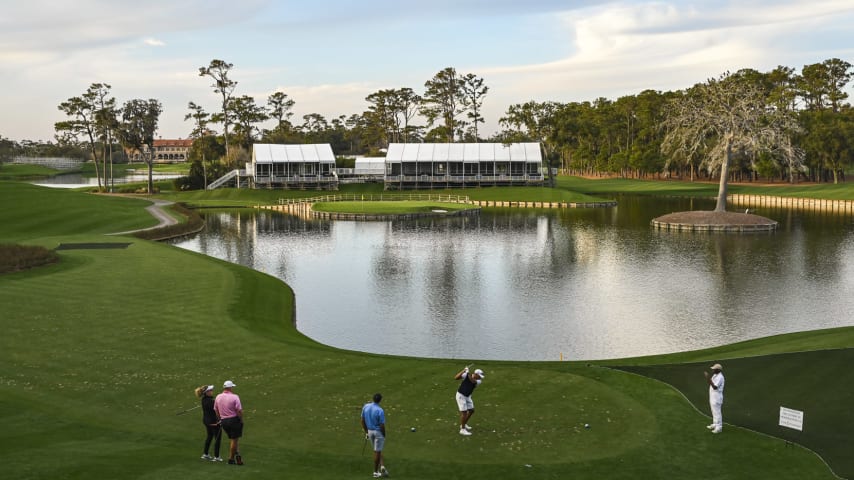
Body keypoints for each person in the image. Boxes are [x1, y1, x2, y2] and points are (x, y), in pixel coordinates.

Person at [214, 380, 244, 465]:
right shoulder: (235, 397)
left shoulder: (218, 396)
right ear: (230, 387)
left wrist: (220, 419)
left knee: (234, 439)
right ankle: (231, 459)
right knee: (234, 440)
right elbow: (239, 410)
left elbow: (216, 409)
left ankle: (238, 457)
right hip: (233, 420)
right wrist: (241, 419)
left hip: (224, 421)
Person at [360, 393, 389, 478]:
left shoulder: (366, 406)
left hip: (370, 431)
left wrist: (366, 432)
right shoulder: (380, 410)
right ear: (380, 400)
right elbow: (382, 425)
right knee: (377, 451)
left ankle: (382, 466)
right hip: (378, 432)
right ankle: (375, 472)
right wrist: (384, 434)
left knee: (377, 450)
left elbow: (362, 420)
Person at [454, 366, 485, 436]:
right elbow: (456, 378)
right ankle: (462, 429)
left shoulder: (478, 381)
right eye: (479, 376)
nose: (480, 378)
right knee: (464, 412)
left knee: (471, 410)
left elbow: (472, 381)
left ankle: (463, 424)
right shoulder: (466, 375)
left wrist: (467, 372)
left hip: (467, 396)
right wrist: (463, 371)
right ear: (476, 374)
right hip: (461, 395)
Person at [194, 384, 222, 461]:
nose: (212, 391)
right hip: (213, 422)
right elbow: (218, 409)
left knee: (209, 436)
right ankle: (216, 457)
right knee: (217, 438)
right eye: (210, 390)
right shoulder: (210, 401)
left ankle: (205, 454)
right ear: (206, 392)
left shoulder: (204, 400)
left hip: (206, 421)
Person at [704, 363, 725, 433]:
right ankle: (715, 424)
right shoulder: (715, 375)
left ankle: (719, 427)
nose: (712, 370)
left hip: (717, 397)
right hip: (713, 396)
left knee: (717, 412)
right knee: (713, 411)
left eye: (714, 369)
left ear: (718, 370)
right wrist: (709, 379)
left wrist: (708, 378)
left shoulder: (720, 377)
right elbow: (712, 382)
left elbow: (715, 387)